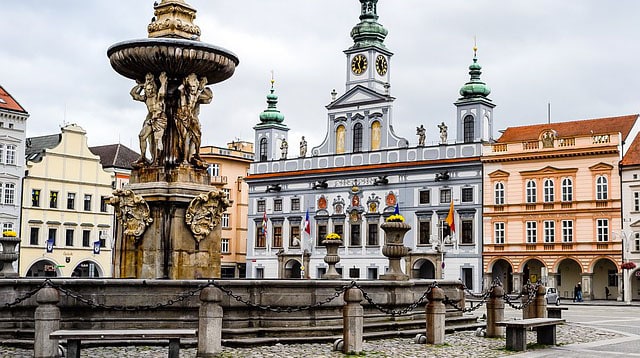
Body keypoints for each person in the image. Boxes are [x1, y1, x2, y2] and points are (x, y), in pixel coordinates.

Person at [131, 72, 168, 165]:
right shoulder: (146, 98)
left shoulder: (158, 97)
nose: (150, 91)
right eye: (147, 90)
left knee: (157, 140)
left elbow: (162, 93)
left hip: (160, 119)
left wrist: (163, 83)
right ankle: (143, 157)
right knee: (141, 136)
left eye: (151, 89)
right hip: (151, 120)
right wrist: (141, 85)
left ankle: (157, 161)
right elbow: (133, 94)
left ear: (154, 89)